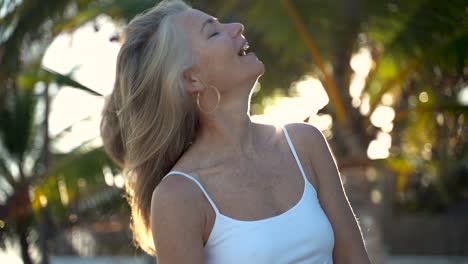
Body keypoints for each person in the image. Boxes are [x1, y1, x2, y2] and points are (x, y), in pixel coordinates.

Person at [100, 0, 371, 263]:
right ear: (192, 79)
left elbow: (354, 258)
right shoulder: (178, 196)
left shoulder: (305, 143)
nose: (237, 27)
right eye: (214, 32)